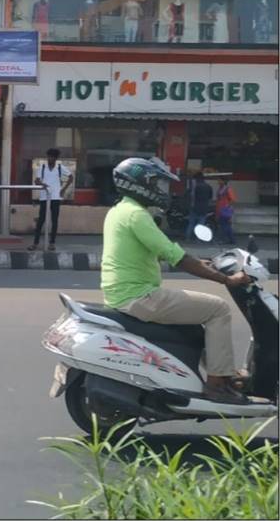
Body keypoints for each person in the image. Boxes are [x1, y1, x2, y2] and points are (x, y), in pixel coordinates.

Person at [101, 157, 250, 404]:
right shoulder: (137, 215)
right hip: (140, 297)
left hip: (125, 294)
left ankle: (223, 373)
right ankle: (216, 385)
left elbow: (170, 250)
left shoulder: (119, 210)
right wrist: (226, 279)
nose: (158, 189)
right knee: (218, 308)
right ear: (137, 184)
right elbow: (176, 257)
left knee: (198, 317)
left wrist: (206, 265)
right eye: (153, 183)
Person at [29, 149, 73, 252]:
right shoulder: (42, 167)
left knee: (54, 220)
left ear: (56, 158)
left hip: (55, 197)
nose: (50, 158)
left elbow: (71, 177)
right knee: (41, 220)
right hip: (44, 197)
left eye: (52, 157)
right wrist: (42, 184)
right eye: (49, 156)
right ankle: (35, 243)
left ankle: (52, 243)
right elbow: (37, 181)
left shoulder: (60, 168)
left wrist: (63, 189)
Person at [185, 172, 213, 242]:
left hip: (195, 208)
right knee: (201, 225)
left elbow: (192, 197)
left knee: (191, 224)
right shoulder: (208, 186)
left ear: (197, 179)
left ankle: (187, 238)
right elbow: (210, 198)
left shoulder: (195, 187)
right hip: (204, 208)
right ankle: (198, 239)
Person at [215, 177, 236, 245]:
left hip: (225, 210)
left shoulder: (228, 189)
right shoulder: (220, 189)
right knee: (225, 226)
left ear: (223, 181)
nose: (218, 181)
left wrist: (227, 207)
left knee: (225, 226)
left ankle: (225, 240)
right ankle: (231, 240)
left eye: (219, 180)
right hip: (220, 209)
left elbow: (232, 200)